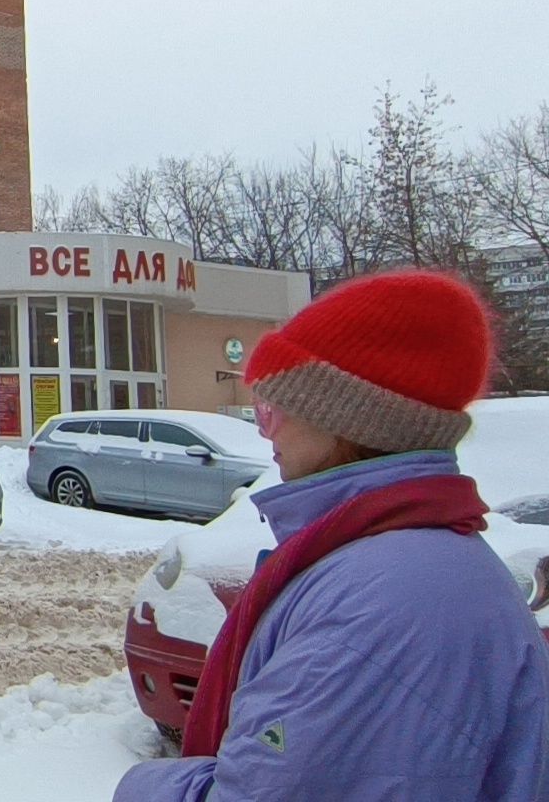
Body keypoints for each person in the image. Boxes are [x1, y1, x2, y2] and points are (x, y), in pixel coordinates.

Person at [115, 270, 548, 801]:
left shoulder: (384, 601)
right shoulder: (402, 557)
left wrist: (139, 789)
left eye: (273, 408)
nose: (261, 428)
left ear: (347, 421)